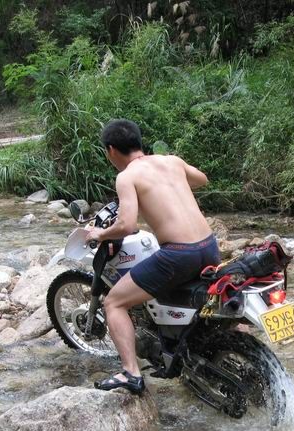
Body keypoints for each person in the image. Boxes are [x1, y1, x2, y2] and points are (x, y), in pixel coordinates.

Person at [85, 118, 220, 394]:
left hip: (180, 255)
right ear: (138, 140)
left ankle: (130, 374)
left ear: (111, 150)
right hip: (209, 248)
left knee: (114, 303)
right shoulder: (171, 161)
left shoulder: (126, 176)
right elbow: (202, 179)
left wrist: (99, 234)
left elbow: (127, 226)